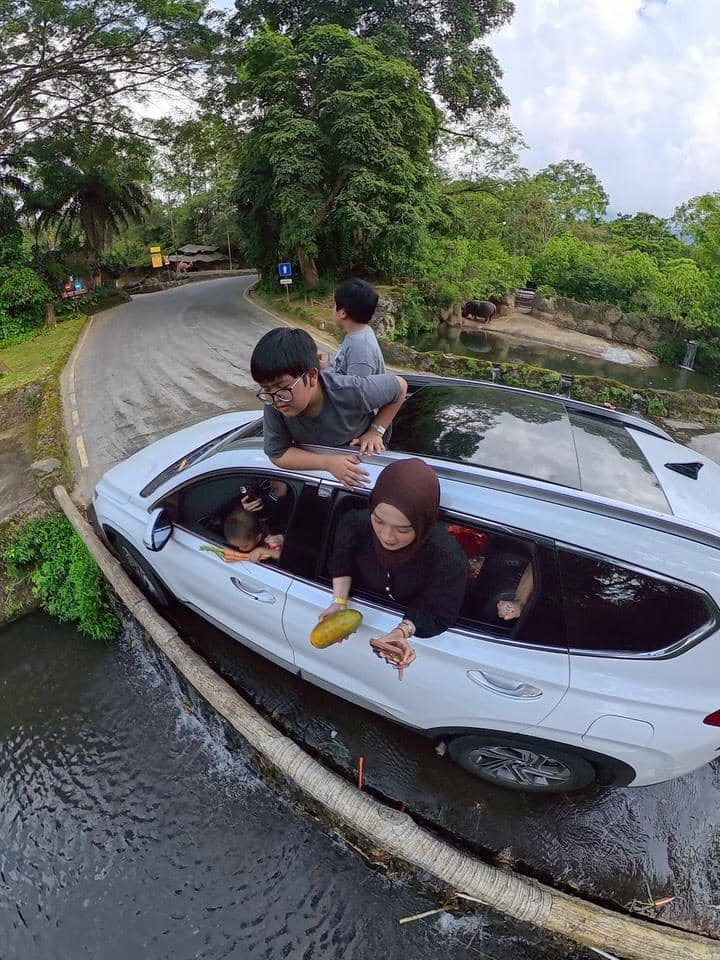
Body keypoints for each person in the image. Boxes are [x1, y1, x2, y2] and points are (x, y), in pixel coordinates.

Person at [319, 458, 468, 679]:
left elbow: (438, 610)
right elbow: (341, 561)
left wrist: (402, 631)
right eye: (379, 521)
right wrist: (339, 602)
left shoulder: (446, 556)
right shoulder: (355, 525)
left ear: (423, 523)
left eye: (403, 529)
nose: (387, 536)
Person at [251, 327, 407, 489]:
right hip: (325, 476)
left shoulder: (352, 391)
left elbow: (401, 388)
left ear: (312, 376)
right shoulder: (274, 402)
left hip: (365, 470)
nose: (276, 400)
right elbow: (278, 454)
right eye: (267, 389)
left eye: (282, 388)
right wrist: (327, 463)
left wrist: (376, 431)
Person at [318, 278, 386, 377]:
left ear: (343, 312)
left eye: (334, 305)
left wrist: (325, 371)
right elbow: (344, 376)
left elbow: (352, 391)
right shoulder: (360, 335)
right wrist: (327, 367)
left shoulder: (361, 351)